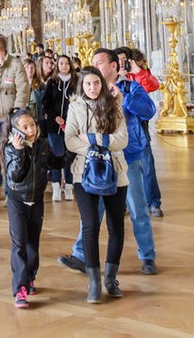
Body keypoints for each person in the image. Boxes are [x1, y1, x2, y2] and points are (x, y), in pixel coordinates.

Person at [59, 49, 159, 284]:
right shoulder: (92, 91)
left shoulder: (129, 87)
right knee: (92, 213)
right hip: (97, 159)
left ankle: (147, 256)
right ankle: (81, 255)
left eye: (99, 63)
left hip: (128, 157)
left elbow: (149, 110)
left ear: (114, 66)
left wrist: (123, 99)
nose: (94, 67)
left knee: (137, 209)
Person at [64, 65, 129, 303]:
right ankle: (94, 282)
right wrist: (97, 149)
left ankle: (111, 278)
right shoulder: (75, 107)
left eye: (97, 83)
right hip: (84, 173)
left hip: (116, 172)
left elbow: (122, 139)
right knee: (90, 225)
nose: (93, 88)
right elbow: (70, 140)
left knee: (116, 227)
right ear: (82, 86)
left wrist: (91, 139)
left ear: (102, 84)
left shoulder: (114, 105)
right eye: (88, 84)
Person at [3, 107, 66, 309]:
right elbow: (15, 176)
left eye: (32, 125)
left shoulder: (42, 145)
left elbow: (55, 162)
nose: (30, 129)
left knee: (33, 244)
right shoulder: (10, 148)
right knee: (19, 244)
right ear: (15, 131)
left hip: (36, 200)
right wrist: (20, 151)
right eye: (24, 127)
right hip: (17, 201)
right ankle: (19, 288)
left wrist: (72, 153)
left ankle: (30, 277)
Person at [116, 46, 164, 218]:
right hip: (118, 130)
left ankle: (153, 202)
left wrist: (137, 70)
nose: (121, 63)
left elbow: (153, 86)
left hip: (138, 128)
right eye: (118, 60)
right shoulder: (110, 80)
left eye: (124, 60)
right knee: (120, 169)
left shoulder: (136, 76)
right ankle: (124, 203)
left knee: (147, 166)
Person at [0, 35, 30, 200]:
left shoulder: (15, 64)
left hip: (8, 117)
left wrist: (17, 111)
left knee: (8, 154)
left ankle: (10, 190)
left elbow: (23, 88)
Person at [42, 54, 78, 203]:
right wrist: (55, 117)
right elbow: (46, 103)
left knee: (69, 155)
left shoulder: (76, 82)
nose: (64, 66)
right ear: (57, 66)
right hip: (54, 125)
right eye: (61, 63)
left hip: (71, 126)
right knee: (57, 154)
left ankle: (69, 185)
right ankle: (56, 186)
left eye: (66, 63)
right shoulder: (52, 82)